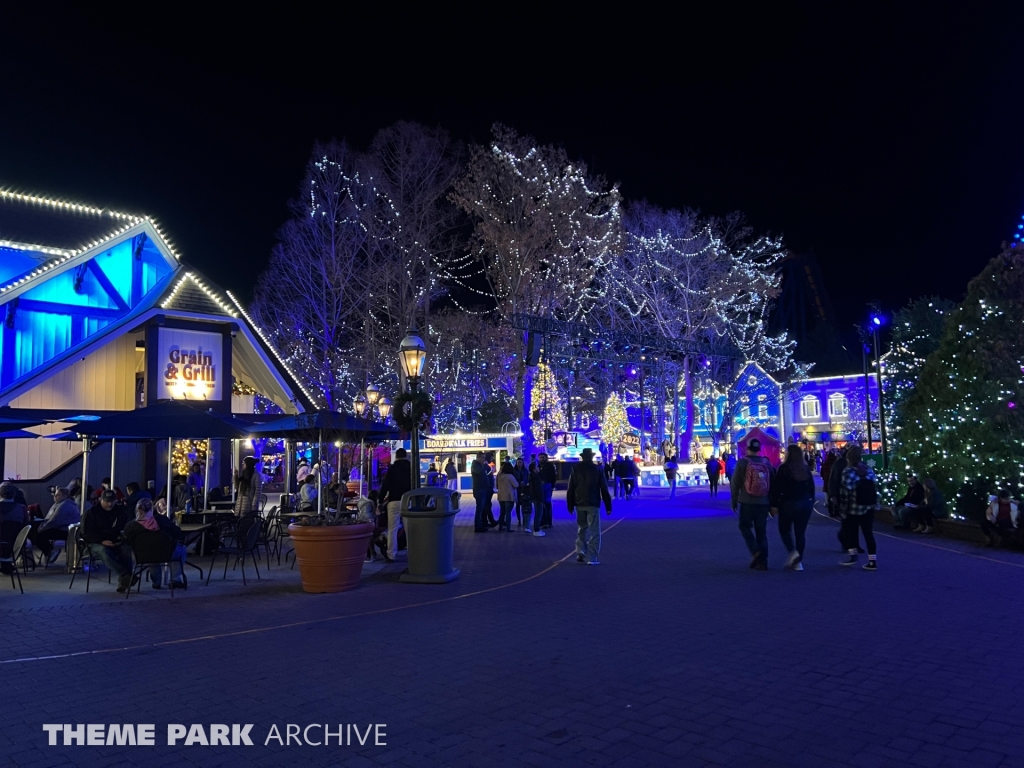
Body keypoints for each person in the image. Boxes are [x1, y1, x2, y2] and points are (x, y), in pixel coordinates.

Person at [122, 497, 187, 590]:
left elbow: (126, 540)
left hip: (141, 556)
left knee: (150, 551)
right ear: (152, 508)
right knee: (181, 549)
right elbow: (177, 533)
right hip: (166, 554)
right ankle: (175, 580)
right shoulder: (163, 520)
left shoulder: (130, 526)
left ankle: (156, 583)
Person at [730, 438, 775, 570]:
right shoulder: (766, 463)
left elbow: (735, 483)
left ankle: (756, 551)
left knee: (744, 527)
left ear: (747, 449)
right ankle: (763, 561)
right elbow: (773, 483)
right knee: (761, 531)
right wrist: (772, 503)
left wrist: (734, 500)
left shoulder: (743, 463)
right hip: (763, 502)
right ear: (759, 449)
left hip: (746, 501)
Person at [771, 444, 816, 570]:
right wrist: (811, 501)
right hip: (805, 503)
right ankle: (798, 560)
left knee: (784, 530)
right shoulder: (805, 468)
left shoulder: (783, 468)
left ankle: (793, 552)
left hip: (788, 503)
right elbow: (811, 487)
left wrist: (774, 504)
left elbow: (776, 488)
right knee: (800, 533)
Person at [566, 448, 613, 565]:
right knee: (594, 531)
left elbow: (570, 488)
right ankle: (592, 557)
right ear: (591, 457)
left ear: (583, 457)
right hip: (593, 502)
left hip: (579, 502)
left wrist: (570, 504)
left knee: (582, 528)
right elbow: (604, 488)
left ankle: (580, 551)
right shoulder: (597, 469)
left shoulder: (575, 469)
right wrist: (608, 505)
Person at [83, 489, 135, 592]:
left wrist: (119, 540)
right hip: (93, 543)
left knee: (126, 549)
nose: (110, 504)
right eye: (107, 501)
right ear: (100, 500)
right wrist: (101, 541)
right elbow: (85, 533)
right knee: (103, 551)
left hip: (114, 541)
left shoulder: (120, 512)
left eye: (112, 501)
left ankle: (124, 581)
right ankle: (126, 575)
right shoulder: (91, 513)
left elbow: (125, 528)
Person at [838, 445, 879, 569]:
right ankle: (872, 561)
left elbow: (845, 492)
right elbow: (875, 488)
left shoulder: (848, 471)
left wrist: (842, 509)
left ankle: (852, 556)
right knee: (868, 534)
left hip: (853, 508)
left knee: (850, 532)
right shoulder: (869, 470)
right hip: (868, 507)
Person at [31, 486, 80, 565]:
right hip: (59, 527)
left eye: (57, 495)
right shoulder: (59, 504)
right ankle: (48, 551)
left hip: (65, 530)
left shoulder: (65, 505)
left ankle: (50, 551)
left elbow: (54, 521)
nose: (55, 497)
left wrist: (42, 528)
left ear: (65, 496)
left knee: (39, 536)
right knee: (32, 530)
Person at [378, 448, 412, 561]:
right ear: (406, 456)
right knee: (409, 528)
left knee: (393, 528)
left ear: (396, 456)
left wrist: (380, 500)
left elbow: (385, 485)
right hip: (408, 500)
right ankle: (412, 554)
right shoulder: (411, 468)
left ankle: (391, 554)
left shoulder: (392, 469)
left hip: (394, 501)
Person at [0, 483, 28, 573]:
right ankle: (6, 564)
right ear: (14, 494)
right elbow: (26, 524)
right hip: (16, 543)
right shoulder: (22, 508)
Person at [471, 453, 493, 532]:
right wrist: (484, 466)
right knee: (479, 508)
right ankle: (478, 526)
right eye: (482, 458)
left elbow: (488, 471)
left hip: (484, 489)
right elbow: (480, 472)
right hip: (479, 489)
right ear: (478, 458)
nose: (484, 459)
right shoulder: (475, 465)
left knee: (483, 507)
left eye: (484, 458)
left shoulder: (481, 465)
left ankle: (483, 523)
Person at [495, 461, 519, 532]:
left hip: (501, 496)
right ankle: (508, 528)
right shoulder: (510, 476)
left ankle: (500, 526)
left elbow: (496, 486)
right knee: (508, 512)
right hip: (509, 496)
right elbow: (516, 485)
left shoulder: (499, 476)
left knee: (502, 512)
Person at [526, 456, 545, 536]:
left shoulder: (532, 477)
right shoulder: (536, 478)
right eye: (537, 467)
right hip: (537, 498)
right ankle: (537, 529)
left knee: (538, 513)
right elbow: (538, 489)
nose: (538, 468)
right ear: (534, 469)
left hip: (534, 497)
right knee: (538, 514)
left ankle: (537, 529)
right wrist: (541, 498)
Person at [538, 453, 556, 528]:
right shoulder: (539, 466)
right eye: (540, 458)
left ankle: (549, 522)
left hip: (548, 486)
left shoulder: (550, 466)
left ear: (546, 458)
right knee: (542, 504)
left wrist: (552, 485)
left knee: (547, 504)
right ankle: (543, 521)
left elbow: (553, 476)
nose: (541, 459)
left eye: (542, 457)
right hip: (541, 486)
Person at [514, 457, 530, 526]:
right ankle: (519, 520)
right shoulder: (514, 470)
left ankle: (524, 519)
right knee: (517, 505)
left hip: (524, 489)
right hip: (517, 489)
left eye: (520, 462)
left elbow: (528, 478)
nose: (519, 464)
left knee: (524, 505)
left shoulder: (525, 470)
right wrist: (518, 482)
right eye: (518, 462)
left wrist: (525, 482)